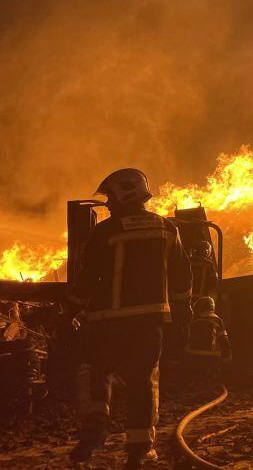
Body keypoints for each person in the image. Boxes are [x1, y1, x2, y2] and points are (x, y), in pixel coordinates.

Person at [67, 168, 192, 469]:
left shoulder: (105, 232)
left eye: (110, 197)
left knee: (95, 374)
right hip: (149, 325)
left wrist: (70, 309)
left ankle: (93, 433)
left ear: (124, 195)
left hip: (106, 323)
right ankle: (139, 450)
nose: (108, 204)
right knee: (143, 382)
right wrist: (183, 313)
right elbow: (182, 278)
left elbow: (87, 280)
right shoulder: (167, 229)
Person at [184, 295, 232, 380]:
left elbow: (184, 338)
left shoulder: (192, 321)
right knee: (210, 380)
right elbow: (224, 340)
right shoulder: (218, 321)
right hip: (211, 359)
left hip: (192, 357)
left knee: (194, 379)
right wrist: (226, 359)